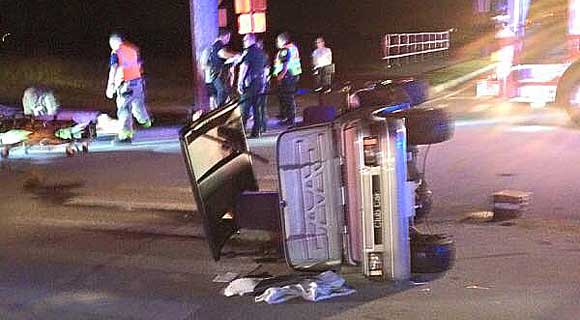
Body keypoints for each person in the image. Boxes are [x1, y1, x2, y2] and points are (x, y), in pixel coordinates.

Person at [105, 33, 151, 143]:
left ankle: (125, 135)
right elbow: (139, 65)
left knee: (124, 108)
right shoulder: (133, 49)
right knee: (138, 103)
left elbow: (114, 68)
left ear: (113, 43)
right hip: (138, 82)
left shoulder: (116, 52)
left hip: (125, 84)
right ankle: (145, 120)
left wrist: (110, 86)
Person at [238, 33, 268, 138]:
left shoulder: (249, 52)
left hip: (249, 84)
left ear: (251, 40)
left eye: (245, 40)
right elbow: (265, 70)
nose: (244, 42)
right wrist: (263, 84)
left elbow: (244, 67)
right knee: (257, 108)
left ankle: (240, 132)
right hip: (259, 83)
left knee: (244, 108)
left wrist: (240, 82)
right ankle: (257, 132)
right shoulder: (262, 53)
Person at [273, 32, 302, 127]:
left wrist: (281, 75)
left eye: (278, 41)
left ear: (283, 41)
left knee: (288, 98)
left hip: (288, 75)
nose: (277, 43)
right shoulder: (293, 47)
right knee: (288, 97)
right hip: (294, 74)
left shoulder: (286, 49)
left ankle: (290, 119)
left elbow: (285, 65)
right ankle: (287, 116)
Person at [206, 29, 240, 108]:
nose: (228, 40)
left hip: (214, 74)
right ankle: (219, 109)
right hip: (218, 74)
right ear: (226, 36)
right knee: (222, 91)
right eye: (228, 37)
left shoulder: (214, 45)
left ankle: (218, 108)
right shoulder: (218, 44)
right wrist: (235, 55)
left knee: (218, 93)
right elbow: (222, 54)